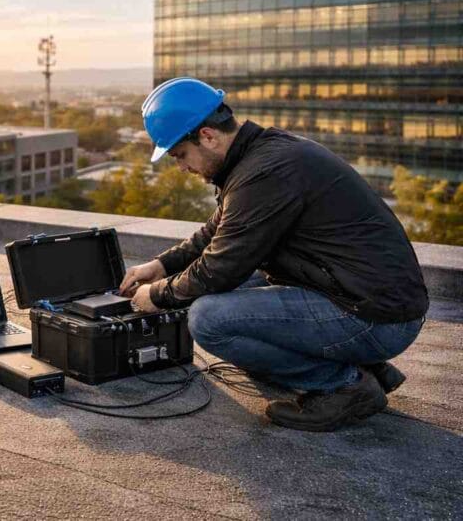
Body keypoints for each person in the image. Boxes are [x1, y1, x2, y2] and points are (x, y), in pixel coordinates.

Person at [121, 77, 428, 432]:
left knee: (209, 318)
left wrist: (157, 295)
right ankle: (364, 365)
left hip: (377, 317)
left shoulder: (264, 172)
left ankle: (343, 387)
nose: (182, 167)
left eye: (180, 156)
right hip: (361, 297)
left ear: (207, 136)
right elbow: (213, 234)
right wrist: (159, 265)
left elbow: (218, 269)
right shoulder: (259, 156)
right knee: (223, 296)